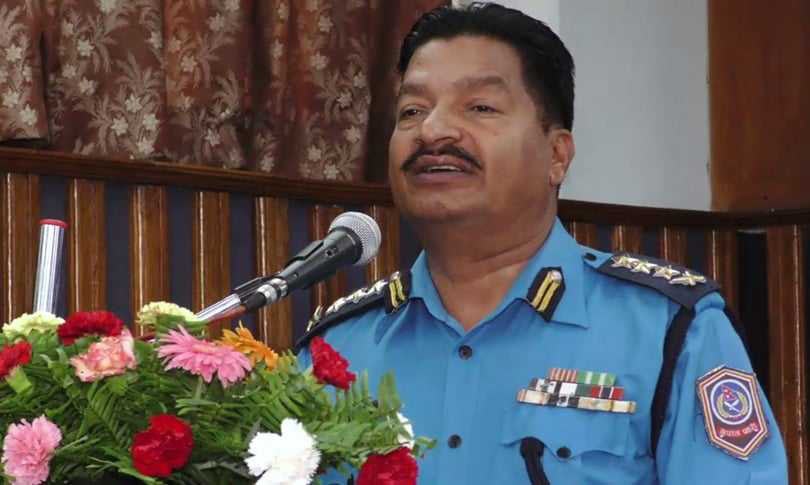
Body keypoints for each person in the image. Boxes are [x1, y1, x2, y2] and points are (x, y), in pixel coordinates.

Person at [297, 2, 788, 483]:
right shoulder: (337, 348)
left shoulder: (669, 331)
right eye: (412, 110)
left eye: (480, 107)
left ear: (557, 155)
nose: (432, 129)